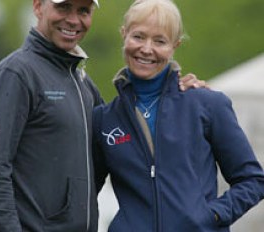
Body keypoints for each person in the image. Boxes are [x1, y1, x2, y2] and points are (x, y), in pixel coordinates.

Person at [0, 0, 206, 231]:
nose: (73, 20)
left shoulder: (85, 86)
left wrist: (174, 95)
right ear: (38, 7)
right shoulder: (15, 74)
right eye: (63, 7)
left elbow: (124, 150)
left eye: (83, 10)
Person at [92, 0, 264, 231]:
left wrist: (211, 216)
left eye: (160, 41)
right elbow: (85, 191)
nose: (146, 48)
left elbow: (253, 180)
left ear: (175, 45)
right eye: (139, 36)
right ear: (124, 35)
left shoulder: (208, 104)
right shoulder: (104, 119)